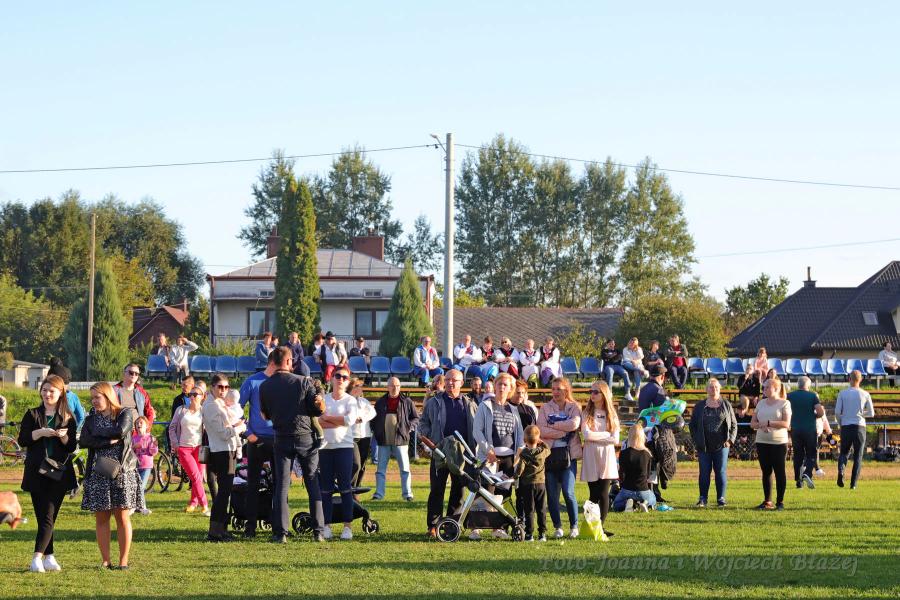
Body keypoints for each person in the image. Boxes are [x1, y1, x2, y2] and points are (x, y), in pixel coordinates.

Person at [259, 346, 326, 543]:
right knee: (312, 483)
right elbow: (318, 411)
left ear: (273, 362)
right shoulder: (304, 382)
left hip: (281, 437)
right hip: (305, 437)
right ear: (288, 362)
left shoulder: (265, 386)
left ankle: (281, 533)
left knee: (281, 486)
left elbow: (265, 416)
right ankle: (318, 531)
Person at [80, 381, 145, 569]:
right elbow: (84, 441)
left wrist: (97, 434)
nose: (93, 401)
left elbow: (121, 431)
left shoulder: (124, 413)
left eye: (97, 397)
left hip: (123, 472)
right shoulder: (91, 419)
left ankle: (123, 562)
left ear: (108, 396)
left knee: (122, 518)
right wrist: (107, 441)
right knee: (101, 519)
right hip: (99, 473)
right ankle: (106, 561)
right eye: (92, 398)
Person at [18, 375, 77, 572]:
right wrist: (40, 433)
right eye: (44, 390)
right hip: (36, 472)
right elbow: (23, 439)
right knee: (43, 516)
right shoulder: (32, 414)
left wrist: (64, 437)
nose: (47, 394)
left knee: (48, 516)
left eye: (52, 391)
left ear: (61, 393)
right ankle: (49, 556)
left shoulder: (68, 417)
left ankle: (37, 557)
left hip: (58, 473)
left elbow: (71, 447)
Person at [418, 368, 477, 538]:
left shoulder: (470, 404)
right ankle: (433, 526)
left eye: (454, 380)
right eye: (448, 379)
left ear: (461, 383)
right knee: (437, 490)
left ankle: (451, 525)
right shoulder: (434, 402)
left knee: (458, 491)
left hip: (461, 454)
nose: (450, 383)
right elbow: (423, 423)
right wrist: (431, 441)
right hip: (439, 452)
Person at [472, 372, 524, 540]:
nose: (502, 387)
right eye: (499, 384)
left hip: (508, 459)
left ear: (510, 389)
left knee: (503, 494)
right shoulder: (485, 406)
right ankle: (476, 528)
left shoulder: (513, 409)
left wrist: (519, 451)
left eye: (505, 385)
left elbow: (520, 434)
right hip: (489, 458)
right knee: (484, 493)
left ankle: (498, 528)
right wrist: (488, 450)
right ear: (494, 387)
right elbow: (477, 431)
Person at [202, 373, 246, 541]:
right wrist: (240, 428)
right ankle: (215, 531)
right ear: (212, 387)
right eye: (220, 387)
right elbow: (223, 433)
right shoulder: (211, 406)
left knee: (225, 492)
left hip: (228, 450)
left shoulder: (219, 403)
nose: (223, 390)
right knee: (223, 493)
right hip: (221, 451)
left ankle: (221, 528)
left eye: (226, 387)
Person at [538, 377, 582, 539]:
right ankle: (558, 527)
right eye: (553, 389)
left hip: (569, 456)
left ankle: (574, 526)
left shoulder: (574, 406)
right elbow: (540, 429)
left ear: (566, 390)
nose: (555, 392)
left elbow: (574, 425)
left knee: (568, 492)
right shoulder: (545, 408)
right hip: (550, 456)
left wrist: (552, 424)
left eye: (559, 389)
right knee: (552, 495)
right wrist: (563, 433)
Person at [318, 366, 358, 540]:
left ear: (348, 382)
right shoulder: (324, 399)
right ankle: (326, 525)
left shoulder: (351, 401)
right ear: (332, 378)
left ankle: (347, 527)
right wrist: (337, 421)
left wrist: (327, 418)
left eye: (344, 377)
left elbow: (349, 420)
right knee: (325, 489)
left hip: (344, 448)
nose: (341, 379)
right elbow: (317, 421)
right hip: (325, 448)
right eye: (338, 376)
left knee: (345, 488)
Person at [689, 378, 737, 507]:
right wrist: (697, 440)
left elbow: (734, 424)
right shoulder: (699, 406)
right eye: (711, 387)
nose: (713, 389)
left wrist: (730, 440)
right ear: (706, 389)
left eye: (716, 387)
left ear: (720, 389)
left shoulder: (726, 405)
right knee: (704, 473)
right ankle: (702, 498)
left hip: (722, 446)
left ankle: (721, 498)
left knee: (720, 472)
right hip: (704, 446)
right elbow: (692, 425)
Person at [581, 381, 620, 536]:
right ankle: (591, 526)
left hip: (607, 456)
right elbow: (586, 435)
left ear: (603, 394)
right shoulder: (586, 413)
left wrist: (596, 436)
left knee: (604, 493)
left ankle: (600, 527)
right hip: (591, 455)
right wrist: (606, 435)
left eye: (596, 392)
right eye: (591, 391)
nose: (592, 394)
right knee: (593, 494)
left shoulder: (611, 414)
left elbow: (615, 439)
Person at [372, 377, 418, 501]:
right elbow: (373, 420)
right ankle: (379, 494)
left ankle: (407, 494)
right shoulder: (380, 402)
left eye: (397, 385)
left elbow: (415, 418)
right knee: (380, 470)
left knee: (405, 469)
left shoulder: (407, 401)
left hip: (401, 440)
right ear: (387, 387)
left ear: (400, 387)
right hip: (383, 441)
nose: (395, 388)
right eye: (392, 385)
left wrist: (408, 427)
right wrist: (377, 432)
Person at [751, 378, 792, 510]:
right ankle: (767, 501)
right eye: (764, 387)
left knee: (779, 472)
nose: (764, 389)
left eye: (767, 387)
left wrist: (769, 423)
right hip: (762, 441)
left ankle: (780, 502)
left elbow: (786, 424)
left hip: (779, 443)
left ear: (776, 389)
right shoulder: (761, 403)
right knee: (766, 471)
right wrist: (761, 425)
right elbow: (753, 423)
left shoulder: (785, 403)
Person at [168, 386, 208, 515]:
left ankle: (193, 503)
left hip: (199, 448)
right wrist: (176, 444)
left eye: (196, 394)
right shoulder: (181, 410)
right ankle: (205, 504)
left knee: (198, 478)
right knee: (195, 477)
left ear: (202, 397)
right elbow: (172, 428)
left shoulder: (204, 411)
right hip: (184, 448)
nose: (192, 396)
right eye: (191, 394)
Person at [834, 370, 875, 489]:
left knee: (844, 452)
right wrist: (861, 414)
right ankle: (853, 484)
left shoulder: (842, 393)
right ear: (860, 379)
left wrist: (841, 423)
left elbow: (837, 412)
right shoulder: (865, 394)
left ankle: (841, 470)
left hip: (846, 426)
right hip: (860, 427)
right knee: (858, 456)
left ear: (849, 379)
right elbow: (871, 413)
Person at [787, 376, 825, 489]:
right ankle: (807, 473)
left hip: (795, 429)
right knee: (811, 453)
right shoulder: (812, 396)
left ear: (798, 384)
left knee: (798, 455)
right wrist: (814, 416)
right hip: (810, 429)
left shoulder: (790, 396)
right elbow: (820, 412)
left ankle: (798, 481)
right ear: (808, 385)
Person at [515, 424, 550, 541]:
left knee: (529, 510)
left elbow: (520, 468)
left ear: (524, 440)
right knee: (541, 509)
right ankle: (542, 534)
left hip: (528, 485)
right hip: (541, 484)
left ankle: (529, 534)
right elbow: (549, 449)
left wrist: (515, 476)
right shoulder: (543, 451)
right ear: (538, 438)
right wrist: (541, 442)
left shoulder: (524, 453)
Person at [614, 424, 657, 512]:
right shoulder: (647, 454)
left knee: (616, 504)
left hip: (627, 489)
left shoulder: (623, 453)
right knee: (653, 499)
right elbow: (648, 475)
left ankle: (629, 503)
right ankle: (644, 503)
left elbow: (621, 475)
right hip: (643, 489)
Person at [349, 378, 376, 489]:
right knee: (355, 464)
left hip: (365, 436)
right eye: (356, 386)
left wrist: (362, 418)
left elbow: (372, 413)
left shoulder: (364, 401)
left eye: (360, 386)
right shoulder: (346, 400)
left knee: (362, 465)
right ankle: (350, 488)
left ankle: (357, 488)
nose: (359, 388)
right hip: (351, 437)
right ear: (351, 387)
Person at [47, 358, 85, 428]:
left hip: (51, 430)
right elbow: (81, 416)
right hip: (67, 429)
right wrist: (75, 429)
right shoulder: (73, 396)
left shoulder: (51, 372)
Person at [131, 416, 157, 513]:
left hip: (146, 466)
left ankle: (142, 507)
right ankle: (135, 507)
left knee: (141, 486)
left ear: (147, 426)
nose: (139, 424)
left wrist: (153, 445)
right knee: (135, 486)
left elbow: (153, 452)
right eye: (137, 423)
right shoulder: (133, 438)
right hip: (135, 466)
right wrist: (133, 447)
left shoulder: (150, 438)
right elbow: (129, 451)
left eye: (141, 423)